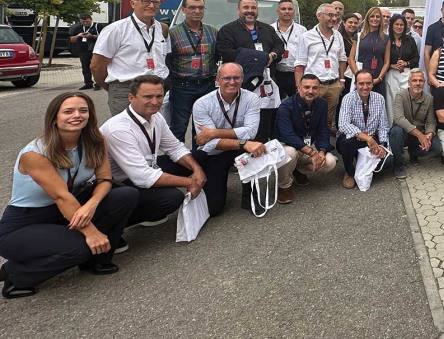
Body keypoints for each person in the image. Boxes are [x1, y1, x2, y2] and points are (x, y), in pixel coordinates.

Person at [0, 92, 138, 299]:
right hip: (26, 222)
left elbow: (105, 179)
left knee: (125, 195)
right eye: (68, 111)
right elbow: (61, 197)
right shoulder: (35, 154)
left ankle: (96, 260)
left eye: (83, 111)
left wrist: (92, 203)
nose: (77, 115)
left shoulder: (95, 140)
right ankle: (15, 275)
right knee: (80, 246)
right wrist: (91, 233)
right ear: (54, 117)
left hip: (68, 210)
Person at [102, 75, 206, 240]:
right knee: (171, 198)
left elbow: (174, 147)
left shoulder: (155, 116)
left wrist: (197, 170)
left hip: (147, 168)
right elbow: (141, 177)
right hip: (119, 184)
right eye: (148, 97)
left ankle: (205, 203)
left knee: (198, 157)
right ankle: (109, 227)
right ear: (131, 98)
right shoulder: (118, 129)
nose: (155, 101)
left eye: (159, 96)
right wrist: (189, 182)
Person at [192, 63, 296, 211]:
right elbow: (211, 143)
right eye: (227, 78)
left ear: (242, 79)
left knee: (254, 149)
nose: (232, 82)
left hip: (241, 148)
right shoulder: (201, 104)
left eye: (236, 78)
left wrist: (214, 132)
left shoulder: (252, 98)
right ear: (218, 80)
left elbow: (251, 132)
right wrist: (241, 143)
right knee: (214, 208)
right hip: (215, 153)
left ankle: (250, 196)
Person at [215, 0, 284, 142]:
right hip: (242, 83)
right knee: (241, 121)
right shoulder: (228, 30)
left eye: (253, 8)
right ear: (238, 9)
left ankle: (262, 152)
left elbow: (279, 46)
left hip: (266, 85)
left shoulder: (267, 28)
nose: (250, 11)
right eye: (246, 7)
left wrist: (272, 55)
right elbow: (226, 51)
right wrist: (259, 58)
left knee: (265, 121)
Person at [91, 0, 170, 116]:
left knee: (154, 131)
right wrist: (113, 88)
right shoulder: (115, 30)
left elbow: (165, 59)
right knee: (127, 132)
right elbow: (96, 66)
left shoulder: (163, 29)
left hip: (157, 90)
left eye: (156, 3)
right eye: (146, 2)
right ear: (132, 4)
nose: (151, 6)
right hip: (126, 90)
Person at [166, 0, 219, 143]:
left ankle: (199, 160)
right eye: (192, 7)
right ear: (183, 9)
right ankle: (177, 163)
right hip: (182, 87)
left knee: (203, 129)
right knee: (178, 127)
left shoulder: (212, 31)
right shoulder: (172, 33)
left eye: (200, 8)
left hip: (207, 86)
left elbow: (217, 57)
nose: (197, 11)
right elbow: (167, 61)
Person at [274, 74, 338, 189]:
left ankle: (298, 170)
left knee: (330, 162)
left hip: (309, 144)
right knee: (290, 153)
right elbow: (288, 136)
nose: (310, 91)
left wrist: (322, 151)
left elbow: (323, 129)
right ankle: (284, 186)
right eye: (306, 87)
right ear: (299, 88)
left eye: (315, 88)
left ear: (319, 89)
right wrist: (312, 153)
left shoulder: (322, 104)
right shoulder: (285, 106)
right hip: (290, 145)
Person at [294, 3, 348, 131]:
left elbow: (342, 59)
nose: (334, 18)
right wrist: (299, 86)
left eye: (335, 15)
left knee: (328, 120)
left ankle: (324, 145)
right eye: (330, 15)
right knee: (310, 117)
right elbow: (299, 64)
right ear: (319, 16)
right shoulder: (307, 37)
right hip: (314, 86)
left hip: (333, 85)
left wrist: (341, 80)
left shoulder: (338, 36)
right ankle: (309, 146)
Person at [335, 70, 391, 189]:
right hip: (353, 140)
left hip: (371, 140)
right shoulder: (348, 98)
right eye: (361, 83)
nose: (365, 87)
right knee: (346, 142)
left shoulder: (379, 98)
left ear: (372, 84)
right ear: (355, 84)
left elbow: (383, 126)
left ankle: (365, 164)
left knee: (388, 162)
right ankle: (349, 172)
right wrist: (367, 138)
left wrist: (382, 145)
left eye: (368, 83)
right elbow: (343, 124)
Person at [390, 69, 442, 175]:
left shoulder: (429, 98)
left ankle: (414, 152)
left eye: (421, 80)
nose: (417, 83)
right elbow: (398, 118)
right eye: (414, 80)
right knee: (396, 131)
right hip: (404, 133)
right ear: (409, 83)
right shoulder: (400, 95)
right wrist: (420, 136)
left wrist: (429, 135)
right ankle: (398, 164)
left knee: (437, 147)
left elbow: (431, 121)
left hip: (419, 134)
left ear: (424, 82)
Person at [383, 14, 420, 122]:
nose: (399, 27)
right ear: (392, 25)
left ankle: (407, 127)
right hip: (391, 74)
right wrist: (390, 65)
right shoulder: (386, 39)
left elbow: (416, 58)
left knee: (407, 102)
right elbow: (381, 58)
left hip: (407, 75)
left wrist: (406, 63)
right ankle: (391, 127)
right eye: (396, 24)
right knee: (391, 102)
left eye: (401, 25)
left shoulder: (410, 40)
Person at [273, 0, 306, 99]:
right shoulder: (270, 29)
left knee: (298, 102)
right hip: (276, 73)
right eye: (283, 9)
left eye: (290, 9)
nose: (287, 11)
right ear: (278, 11)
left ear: (294, 11)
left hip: (295, 74)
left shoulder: (302, 30)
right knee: (275, 104)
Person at [356, 7, 389, 91]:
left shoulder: (386, 38)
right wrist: (358, 76)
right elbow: (351, 59)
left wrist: (379, 78)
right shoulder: (359, 36)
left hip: (378, 77)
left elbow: (386, 61)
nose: (375, 19)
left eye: (378, 17)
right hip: (361, 78)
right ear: (368, 18)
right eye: (372, 16)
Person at [69, 14, 100, 91]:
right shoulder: (77, 28)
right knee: (85, 67)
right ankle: (88, 83)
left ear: (91, 19)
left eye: (87, 21)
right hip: (83, 49)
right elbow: (72, 39)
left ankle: (98, 83)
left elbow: (103, 37)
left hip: (96, 49)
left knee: (95, 67)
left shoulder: (97, 26)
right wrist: (78, 36)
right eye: (83, 22)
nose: (85, 23)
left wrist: (92, 36)